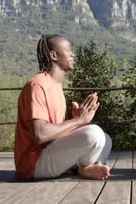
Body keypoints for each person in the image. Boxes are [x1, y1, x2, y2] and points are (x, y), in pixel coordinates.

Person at [15, 35, 112, 181]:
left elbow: (55, 133)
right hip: (34, 163)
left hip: (50, 154)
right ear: (54, 55)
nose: (72, 53)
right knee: (94, 133)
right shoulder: (37, 85)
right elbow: (39, 135)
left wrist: (74, 122)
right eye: (68, 49)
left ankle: (91, 167)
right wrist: (78, 121)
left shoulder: (56, 85)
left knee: (105, 138)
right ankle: (84, 167)